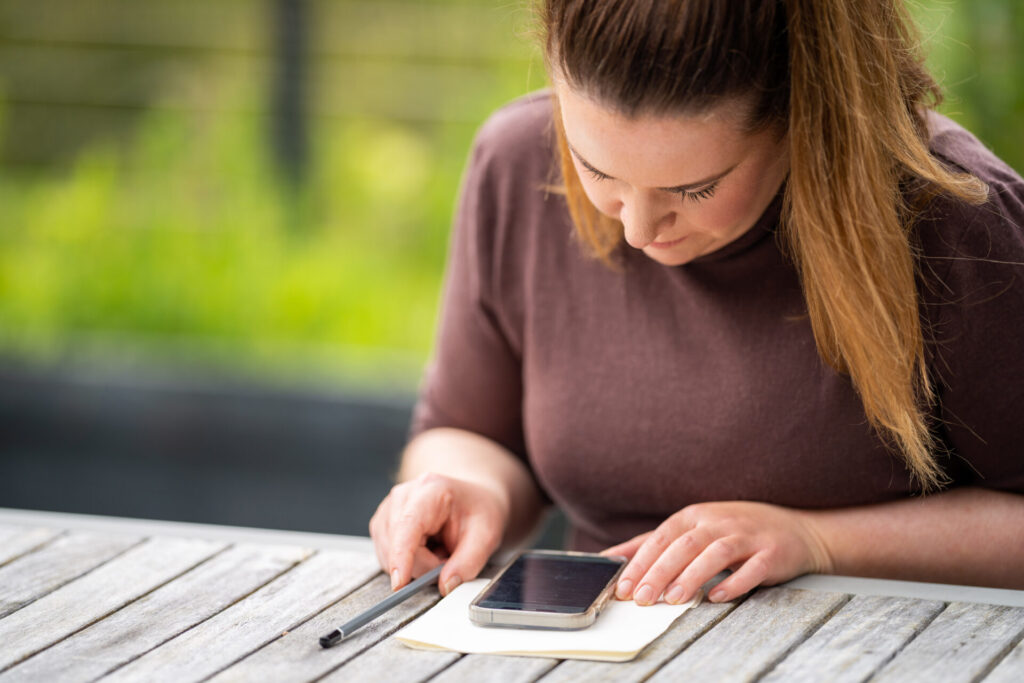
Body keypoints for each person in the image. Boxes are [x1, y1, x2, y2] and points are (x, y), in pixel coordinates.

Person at [370, 0, 1024, 607]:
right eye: (597, 170)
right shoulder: (514, 162)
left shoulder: (959, 220)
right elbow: (468, 431)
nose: (638, 230)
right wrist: (463, 487)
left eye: (695, 187)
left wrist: (818, 542)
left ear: (801, 110)